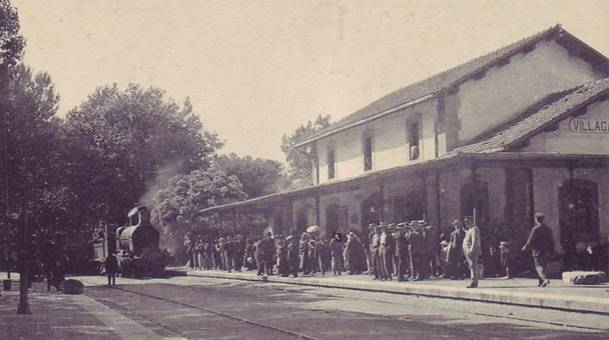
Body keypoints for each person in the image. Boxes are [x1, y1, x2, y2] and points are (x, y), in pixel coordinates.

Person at [522, 212, 554, 287]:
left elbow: (530, 239)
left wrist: (525, 247)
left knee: (538, 265)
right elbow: (551, 240)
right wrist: (552, 249)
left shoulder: (535, 229)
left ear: (536, 219)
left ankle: (544, 278)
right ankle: (541, 282)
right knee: (544, 265)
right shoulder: (548, 229)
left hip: (537, 249)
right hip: (546, 249)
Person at [462, 219, 481, 288]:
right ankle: (474, 281)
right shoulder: (470, 230)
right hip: (468, 251)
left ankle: (474, 282)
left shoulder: (474, 229)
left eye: (468, 221)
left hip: (471, 251)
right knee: (471, 266)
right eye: (465, 222)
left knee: (473, 266)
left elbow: (474, 241)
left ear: (472, 221)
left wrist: (471, 250)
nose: (466, 223)